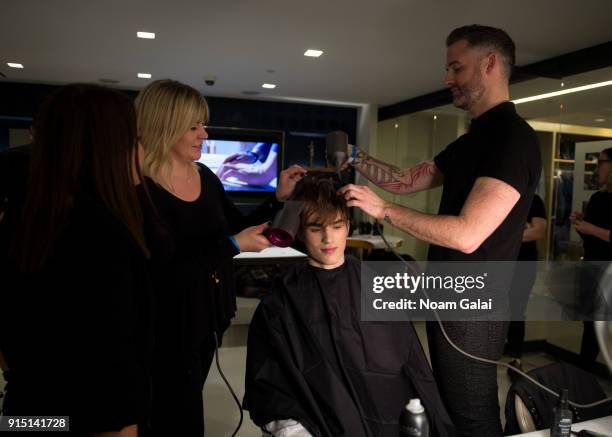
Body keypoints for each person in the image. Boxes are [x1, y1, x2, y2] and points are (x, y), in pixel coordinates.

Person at [339, 25, 541, 436]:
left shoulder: (512, 139)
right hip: (450, 291)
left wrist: (383, 210)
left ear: (489, 64)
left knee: (471, 411)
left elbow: (467, 234)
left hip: (474, 300)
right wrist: (355, 157)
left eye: (456, 67)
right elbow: (404, 179)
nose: (447, 78)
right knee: (448, 403)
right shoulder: (474, 138)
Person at [134, 79, 305, 436]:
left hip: (208, 317)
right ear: (165, 126)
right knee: (174, 415)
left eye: (202, 124)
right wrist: (233, 244)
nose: (204, 133)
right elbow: (163, 267)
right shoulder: (139, 189)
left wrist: (278, 197)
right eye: (194, 125)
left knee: (185, 401)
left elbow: (236, 226)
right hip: (167, 325)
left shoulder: (206, 177)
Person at [244, 178, 457, 437]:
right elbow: (270, 383)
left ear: (348, 227)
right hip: (320, 420)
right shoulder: (283, 299)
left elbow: (411, 365)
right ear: (300, 231)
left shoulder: (377, 286)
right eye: (315, 228)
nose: (328, 238)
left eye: (337, 226)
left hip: (387, 414)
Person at [0, 84, 152, 436]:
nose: (142, 151)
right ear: (109, 147)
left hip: (26, 413)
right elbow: (111, 371)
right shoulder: (102, 237)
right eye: (135, 138)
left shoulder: (26, 221)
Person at [570, 147, 612, 370]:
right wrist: (581, 224)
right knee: (590, 326)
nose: (597, 169)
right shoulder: (597, 197)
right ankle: (582, 377)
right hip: (593, 268)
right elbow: (591, 236)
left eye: (601, 163)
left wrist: (591, 228)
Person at [506, 194, 547, 375]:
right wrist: (522, 231)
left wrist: (507, 234)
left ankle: (516, 359)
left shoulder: (533, 200)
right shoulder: (498, 196)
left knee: (516, 309)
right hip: (499, 263)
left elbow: (538, 231)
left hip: (523, 265)